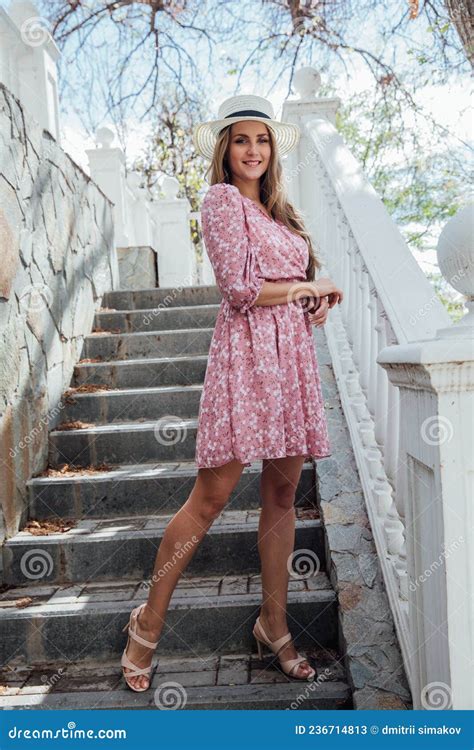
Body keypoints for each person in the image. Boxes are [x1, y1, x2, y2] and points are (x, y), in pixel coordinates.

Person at [121, 94, 344, 692]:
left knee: (282, 491)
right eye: (242, 140)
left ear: (273, 150)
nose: (253, 150)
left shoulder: (283, 214)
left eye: (263, 140)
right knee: (212, 496)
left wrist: (311, 299)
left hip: (290, 359)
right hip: (245, 360)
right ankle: (147, 622)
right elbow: (240, 288)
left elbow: (289, 285)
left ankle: (275, 623)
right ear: (226, 148)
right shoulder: (220, 201)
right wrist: (306, 286)